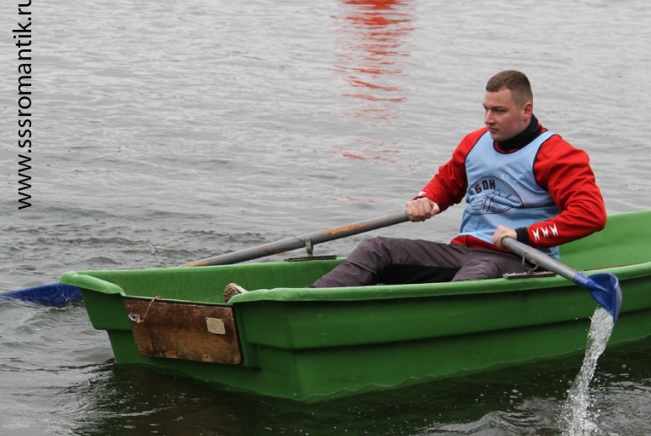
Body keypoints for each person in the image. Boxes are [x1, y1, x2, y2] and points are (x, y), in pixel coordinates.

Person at [224, 70, 605, 301]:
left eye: (499, 111)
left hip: (519, 260)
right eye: (485, 109)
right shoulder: (475, 142)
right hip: (464, 251)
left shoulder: (557, 155)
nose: (488, 119)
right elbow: (448, 183)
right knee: (377, 248)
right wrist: (428, 198)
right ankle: (299, 303)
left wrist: (523, 234)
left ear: (526, 110)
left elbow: (590, 215)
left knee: (476, 274)